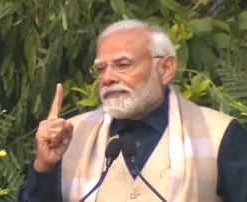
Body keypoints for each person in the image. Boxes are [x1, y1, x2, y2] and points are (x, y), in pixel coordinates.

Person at [17, 19, 247, 202]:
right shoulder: (70, 134)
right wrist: (45, 167)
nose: (107, 78)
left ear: (166, 68)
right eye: (100, 68)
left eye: (123, 65)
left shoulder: (220, 134)